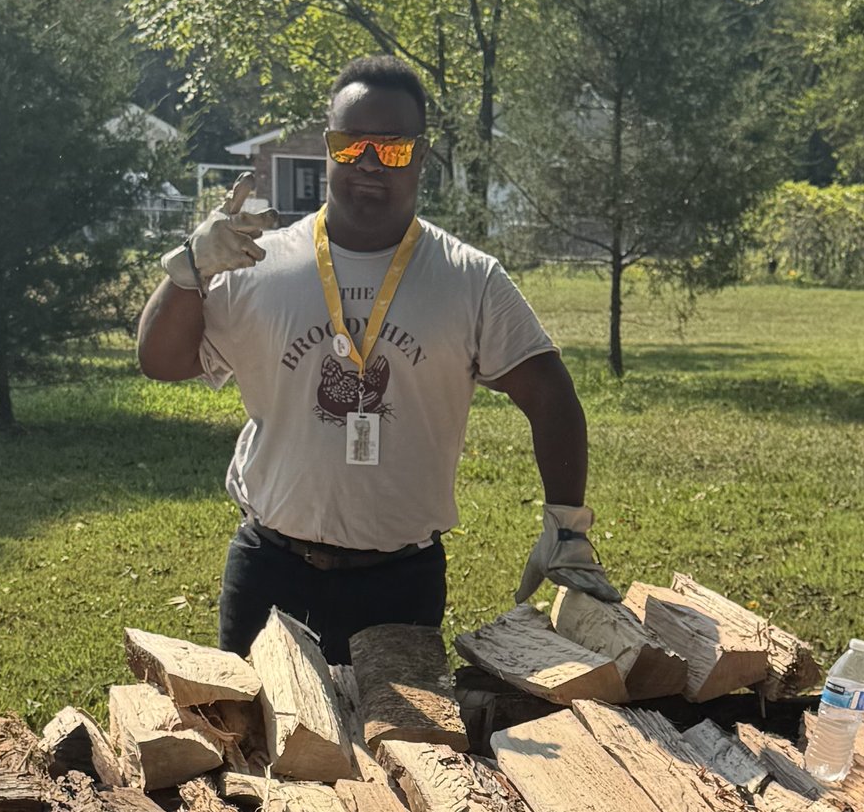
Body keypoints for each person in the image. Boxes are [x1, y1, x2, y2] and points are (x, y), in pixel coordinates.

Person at [136, 57, 614, 661]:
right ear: (328, 146)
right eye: (351, 143)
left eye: (391, 147)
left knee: (402, 727)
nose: (368, 161)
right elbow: (161, 360)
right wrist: (189, 267)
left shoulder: (468, 279)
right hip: (269, 570)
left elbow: (550, 394)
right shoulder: (255, 263)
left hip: (400, 581)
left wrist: (567, 524)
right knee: (254, 724)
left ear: (421, 155)